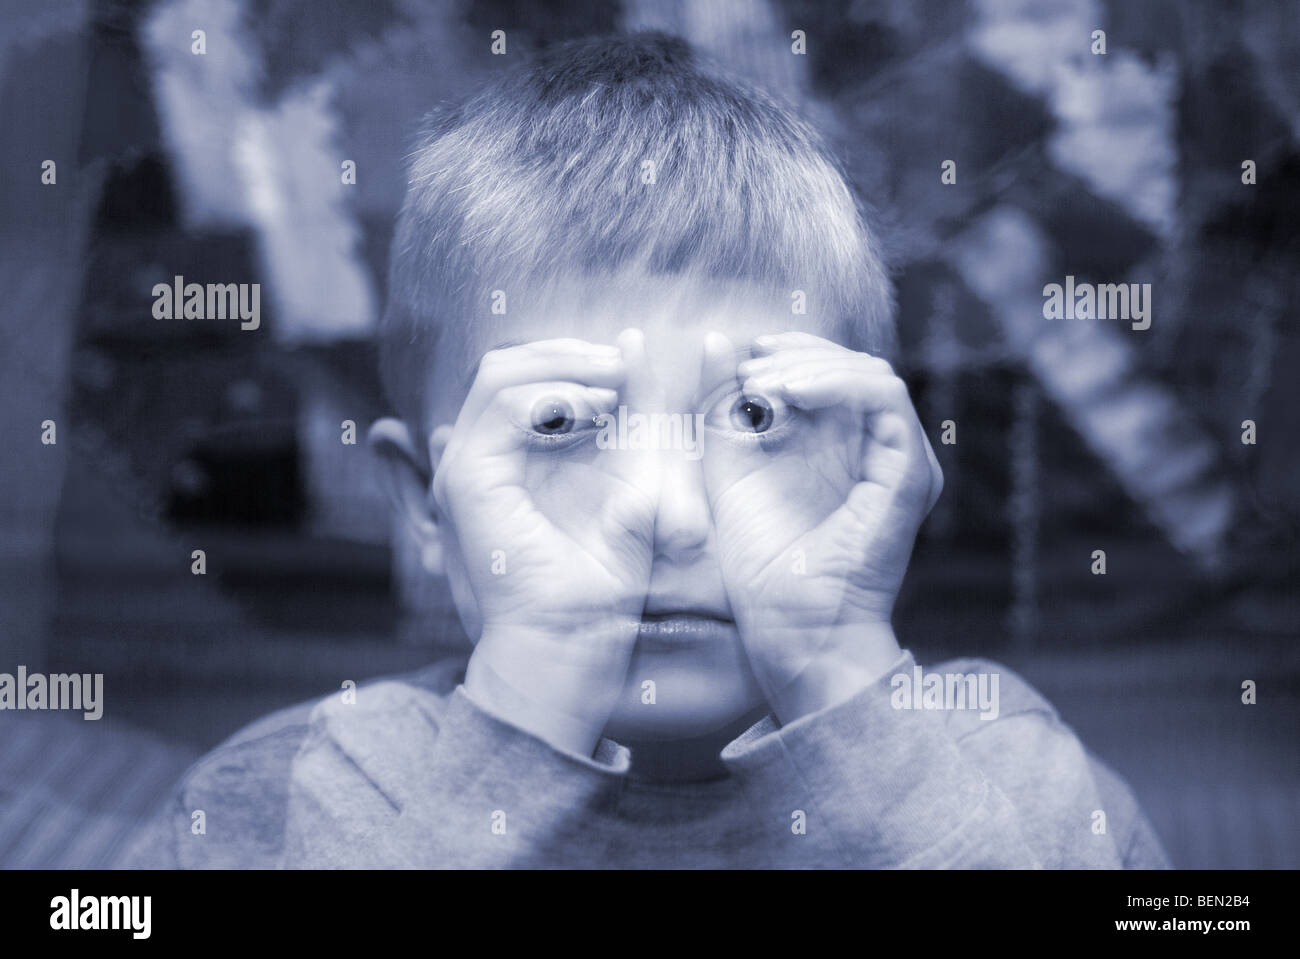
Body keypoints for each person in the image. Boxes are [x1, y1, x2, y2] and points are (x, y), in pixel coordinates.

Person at [121, 32, 1170, 869]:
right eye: (563, 424)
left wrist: (844, 681)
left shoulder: (1002, 773)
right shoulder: (301, 789)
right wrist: (516, 723)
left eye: (759, 418)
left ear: (876, 473)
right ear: (429, 502)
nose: (669, 509)